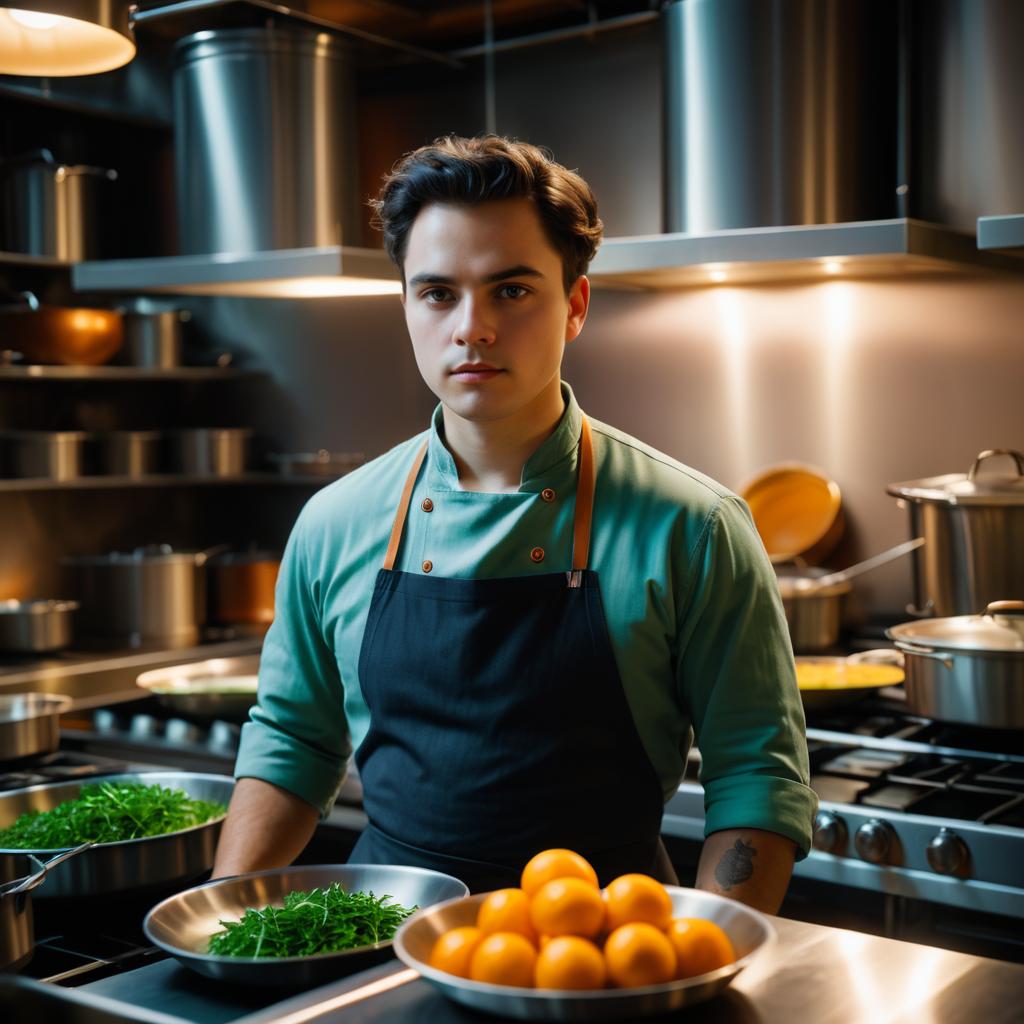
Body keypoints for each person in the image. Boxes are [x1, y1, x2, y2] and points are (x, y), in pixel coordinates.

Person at [212, 135, 817, 913]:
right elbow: (294, 739)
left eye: (511, 291)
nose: (472, 328)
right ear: (406, 305)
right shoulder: (334, 522)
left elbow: (756, 773)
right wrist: (224, 914)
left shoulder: (694, 526)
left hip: (603, 954)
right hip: (380, 938)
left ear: (575, 305)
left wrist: (713, 950)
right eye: (437, 293)